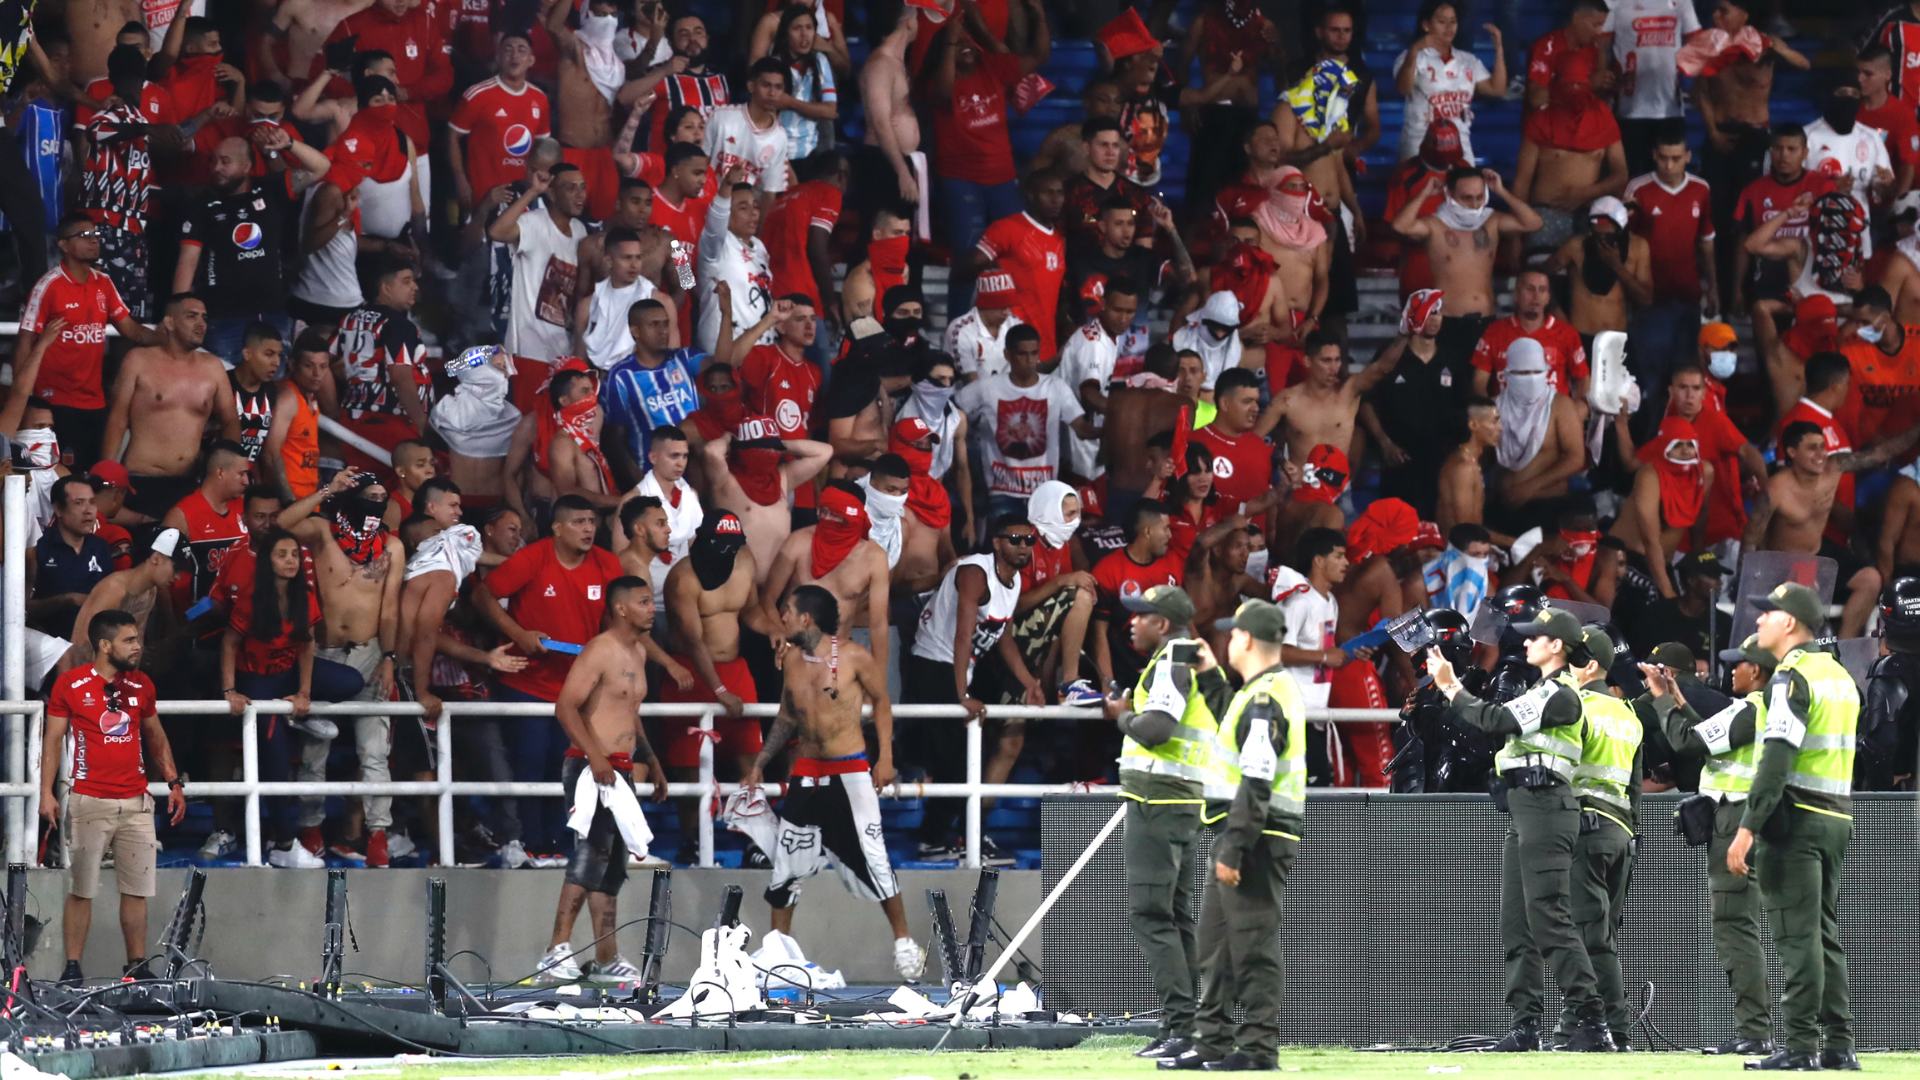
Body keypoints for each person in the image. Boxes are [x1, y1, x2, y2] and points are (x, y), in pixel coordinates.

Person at [1427, 607, 1613, 1052]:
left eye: (1535, 637)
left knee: (1549, 916)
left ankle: (1592, 1019)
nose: (1525, 642)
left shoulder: (1561, 695)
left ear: (1557, 646)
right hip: (1525, 807)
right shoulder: (1541, 691)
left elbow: (1495, 720)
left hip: (1548, 807)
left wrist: (1451, 686)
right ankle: (1525, 1025)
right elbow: (1492, 724)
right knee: (1517, 923)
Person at [743, 584, 923, 980]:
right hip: (806, 770)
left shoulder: (855, 656)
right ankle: (777, 952)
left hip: (850, 770)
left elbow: (882, 703)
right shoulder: (791, 660)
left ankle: (904, 941)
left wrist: (886, 758)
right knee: (787, 864)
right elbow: (787, 716)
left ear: (806, 618)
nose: (782, 617)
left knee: (874, 856)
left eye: (788, 611)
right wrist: (760, 763)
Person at [1158, 598, 1302, 1072]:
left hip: (1256, 836)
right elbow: (1233, 731)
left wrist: (1235, 848)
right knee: (1215, 945)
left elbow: (1256, 781)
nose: (1228, 640)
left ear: (1248, 640)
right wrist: (1210, 676)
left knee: (1252, 946)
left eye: (1234, 633)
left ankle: (1258, 1049)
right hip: (1245, 831)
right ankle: (1212, 1042)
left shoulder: (1264, 700)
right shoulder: (1260, 691)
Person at [1725, 583, 1861, 1072]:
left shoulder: (1791, 676)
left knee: (1796, 936)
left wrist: (1747, 827)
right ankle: (1839, 1045)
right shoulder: (1840, 675)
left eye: (1768, 614)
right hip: (1837, 817)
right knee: (1823, 934)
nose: (1760, 620)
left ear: (1789, 623)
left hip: (1797, 820)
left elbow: (1776, 759)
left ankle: (1801, 1045)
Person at [1101, 585, 1229, 1064]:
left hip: (1158, 800)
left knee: (1152, 915)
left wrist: (1122, 716)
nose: (1131, 622)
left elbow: (1156, 729)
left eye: (1141, 615)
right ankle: (1185, 1027)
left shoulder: (1174, 659)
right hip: (1181, 799)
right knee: (1175, 916)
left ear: (1162, 623)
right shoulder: (1189, 658)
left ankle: (1181, 1027)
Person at [471, 495, 626, 858]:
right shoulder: (534, 558)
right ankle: (529, 844)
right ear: (557, 528)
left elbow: (616, 619)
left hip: (578, 687)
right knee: (530, 764)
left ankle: (559, 845)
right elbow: (482, 596)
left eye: (591, 522)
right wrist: (518, 634)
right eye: (578, 522)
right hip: (527, 683)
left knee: (568, 765)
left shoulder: (607, 563)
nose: (588, 529)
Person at [1642, 635, 1775, 1057]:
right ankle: (1756, 1029)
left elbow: (1688, 743)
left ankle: (1754, 1030)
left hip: (1736, 820)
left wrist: (1662, 700)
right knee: (1746, 926)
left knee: (1735, 925)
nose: (1730, 670)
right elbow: (1706, 735)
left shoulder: (1751, 709)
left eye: (1739, 664)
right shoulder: (1759, 708)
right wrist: (1678, 700)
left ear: (1756, 671)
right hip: (1748, 818)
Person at [535, 576, 668, 983]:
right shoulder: (599, 650)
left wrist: (652, 761)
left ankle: (606, 957)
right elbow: (565, 707)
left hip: (621, 767)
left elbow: (630, 714)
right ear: (621, 608)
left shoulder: (638, 652)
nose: (652, 608)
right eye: (644, 602)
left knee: (612, 865)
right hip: (589, 765)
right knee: (590, 855)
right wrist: (594, 756)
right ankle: (555, 950)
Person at [42, 609, 186, 983]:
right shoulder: (70, 684)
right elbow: (52, 740)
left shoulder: (142, 685)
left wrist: (174, 782)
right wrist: (46, 793)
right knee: (82, 889)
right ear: (105, 645)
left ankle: (136, 966)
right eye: (129, 640)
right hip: (89, 800)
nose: (138, 646)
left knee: (137, 891)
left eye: (137, 639)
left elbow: (155, 735)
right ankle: (72, 968)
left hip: (137, 802)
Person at [274, 468, 406, 866]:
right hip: (323, 653)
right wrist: (328, 490)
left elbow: (390, 609)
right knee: (315, 751)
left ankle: (378, 833)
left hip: (371, 652)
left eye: (383, 498)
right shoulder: (323, 532)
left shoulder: (391, 546)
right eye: (370, 496)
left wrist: (390, 657)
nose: (377, 504)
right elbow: (280, 526)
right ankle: (310, 829)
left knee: (375, 751)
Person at [906, 514, 1040, 862]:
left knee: (965, 759)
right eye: (1015, 539)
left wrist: (1029, 682)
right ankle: (933, 840)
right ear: (996, 542)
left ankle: (961, 836)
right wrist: (961, 694)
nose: (1023, 546)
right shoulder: (974, 573)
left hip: (960, 668)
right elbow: (962, 635)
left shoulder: (1014, 581)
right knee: (956, 761)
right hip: (932, 665)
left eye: (1029, 540)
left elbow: (1002, 635)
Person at [1552, 626, 1643, 1050]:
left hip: (1585, 829)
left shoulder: (1578, 707)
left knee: (1589, 937)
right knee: (1597, 934)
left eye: (1572, 659)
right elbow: (1635, 788)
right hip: (1621, 833)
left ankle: (1615, 1030)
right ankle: (1575, 1028)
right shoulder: (1628, 715)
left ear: (1589, 666)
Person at [1746, 421, 1920, 638]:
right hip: (1786, 562)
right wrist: (1749, 578)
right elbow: (1752, 536)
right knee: (1804, 587)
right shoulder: (1776, 489)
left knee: (1871, 579)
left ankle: (1842, 648)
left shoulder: (1833, 467)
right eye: (1812, 448)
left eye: (1823, 446)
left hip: (1819, 552)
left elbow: (1881, 453)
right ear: (1792, 452)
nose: (1821, 454)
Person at [17, 213, 157, 470]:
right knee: (60, 476)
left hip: (96, 402)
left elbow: (131, 330)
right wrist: (22, 399)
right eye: (84, 235)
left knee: (92, 475)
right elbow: (25, 339)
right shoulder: (49, 285)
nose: (94, 240)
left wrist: (167, 336)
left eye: (96, 235)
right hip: (54, 402)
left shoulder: (103, 283)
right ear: (63, 244)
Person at [101, 293, 241, 518]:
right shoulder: (138, 360)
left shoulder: (213, 367)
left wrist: (232, 468)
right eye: (191, 316)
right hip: (141, 478)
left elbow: (230, 420)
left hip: (189, 483)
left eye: (204, 318)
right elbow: (117, 419)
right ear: (169, 322)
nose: (201, 324)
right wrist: (106, 473)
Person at [1392, 167, 1544, 358]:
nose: (1474, 204)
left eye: (1479, 197)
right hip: (1446, 321)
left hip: (1485, 320)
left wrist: (1501, 191)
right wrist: (1425, 193)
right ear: (1449, 194)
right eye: (1466, 198)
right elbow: (1401, 226)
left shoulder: (1492, 221)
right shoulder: (1434, 225)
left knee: (1482, 377)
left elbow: (1534, 223)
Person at [956, 324, 1091, 516]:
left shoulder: (1056, 387)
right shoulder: (987, 388)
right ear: (1007, 355)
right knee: (1006, 535)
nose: (1030, 360)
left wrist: (1110, 423)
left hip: (1044, 492)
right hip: (1001, 491)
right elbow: (952, 410)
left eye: (1034, 353)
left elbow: (1081, 428)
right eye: (1022, 354)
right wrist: (963, 436)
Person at [491, 164, 587, 367]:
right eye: (571, 188)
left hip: (563, 352)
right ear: (552, 193)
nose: (580, 194)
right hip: (528, 352)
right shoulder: (535, 223)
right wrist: (533, 192)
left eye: (582, 187)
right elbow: (497, 232)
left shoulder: (580, 230)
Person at [967, 170, 1068, 361]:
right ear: (1031, 195)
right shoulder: (1006, 228)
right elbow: (971, 265)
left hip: (1045, 340)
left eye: (1060, 193)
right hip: (1010, 338)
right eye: (1048, 193)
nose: (1056, 199)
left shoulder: (1059, 239)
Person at [1391, 1, 1506, 166]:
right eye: (1442, 21)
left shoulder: (1468, 60)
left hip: (1461, 145)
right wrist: (1414, 51)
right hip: (1419, 143)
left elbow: (1497, 89)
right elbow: (1403, 89)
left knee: (1470, 182)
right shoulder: (1410, 56)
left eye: (1453, 21)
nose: (1449, 27)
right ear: (1426, 25)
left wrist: (1499, 49)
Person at [1471, 270, 1590, 399]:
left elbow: (1583, 379)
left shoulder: (1567, 334)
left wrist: (1578, 407)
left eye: (1542, 290)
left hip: (1553, 410)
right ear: (1516, 294)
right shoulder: (1495, 331)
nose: (1536, 296)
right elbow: (1479, 383)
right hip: (1506, 409)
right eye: (1530, 289)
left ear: (1548, 297)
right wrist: (1487, 408)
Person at [27, 477, 115, 639]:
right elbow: (23, 608)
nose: (88, 510)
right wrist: (66, 600)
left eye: (92, 502)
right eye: (79, 503)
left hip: (94, 641)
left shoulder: (100, 547)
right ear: (58, 509)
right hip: (47, 642)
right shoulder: (39, 548)